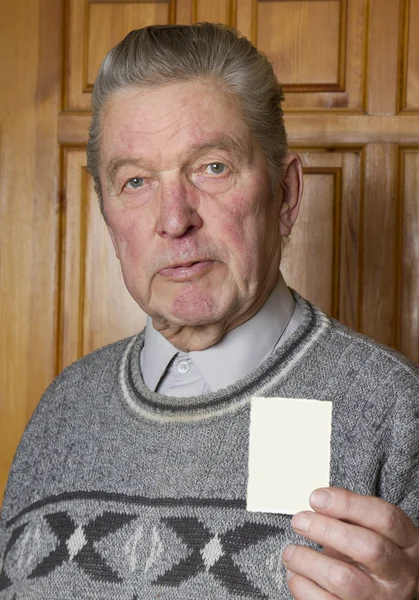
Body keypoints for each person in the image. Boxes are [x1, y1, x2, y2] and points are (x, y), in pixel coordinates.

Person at [0, 23, 418, 600]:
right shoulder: (61, 410)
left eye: (212, 167)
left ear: (287, 194)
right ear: (108, 215)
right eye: (136, 181)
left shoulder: (396, 413)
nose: (174, 220)